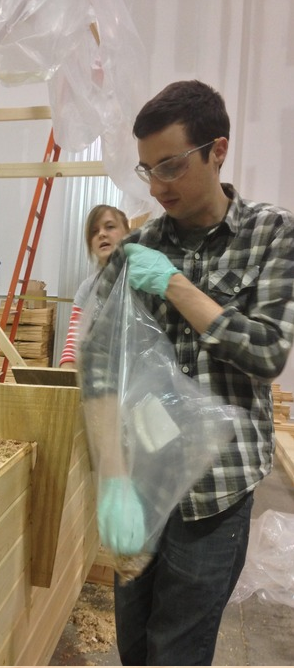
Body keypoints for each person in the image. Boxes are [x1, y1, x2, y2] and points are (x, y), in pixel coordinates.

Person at [79, 80, 294, 665]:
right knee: (134, 645)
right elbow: (99, 368)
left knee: (177, 650)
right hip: (145, 484)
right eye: (147, 170)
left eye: (170, 166)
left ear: (217, 150)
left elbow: (268, 353)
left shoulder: (271, 235)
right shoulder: (139, 245)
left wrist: (175, 285)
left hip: (216, 492)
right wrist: (115, 480)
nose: (156, 185)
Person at [59, 204, 130, 369]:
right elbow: (72, 348)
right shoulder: (88, 288)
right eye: (94, 232)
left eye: (110, 227)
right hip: (98, 384)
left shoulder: (143, 279)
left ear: (128, 233)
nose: (102, 234)